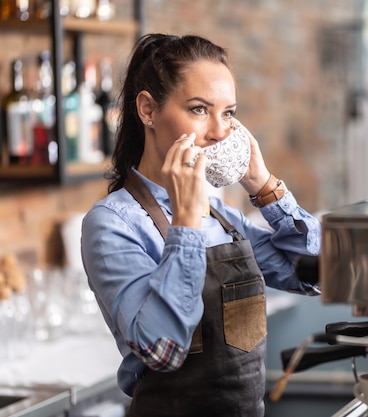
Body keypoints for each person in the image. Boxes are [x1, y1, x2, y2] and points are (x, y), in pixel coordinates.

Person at [81, 33, 321, 417]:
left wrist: (264, 186)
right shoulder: (113, 224)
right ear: (148, 110)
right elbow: (163, 350)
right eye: (198, 109)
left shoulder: (220, 215)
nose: (219, 131)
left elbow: (315, 272)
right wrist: (186, 224)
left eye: (228, 113)